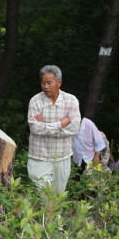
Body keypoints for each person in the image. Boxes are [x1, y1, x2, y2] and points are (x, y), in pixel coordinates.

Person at [27, 65, 80, 193]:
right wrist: (60, 125)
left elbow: (74, 129)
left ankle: (56, 214)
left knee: (58, 194)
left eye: (49, 83)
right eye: (43, 83)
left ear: (59, 82)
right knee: (44, 192)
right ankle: (49, 213)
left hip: (62, 156)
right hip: (39, 156)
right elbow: (35, 128)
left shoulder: (71, 100)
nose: (45, 87)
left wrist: (46, 125)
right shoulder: (35, 101)